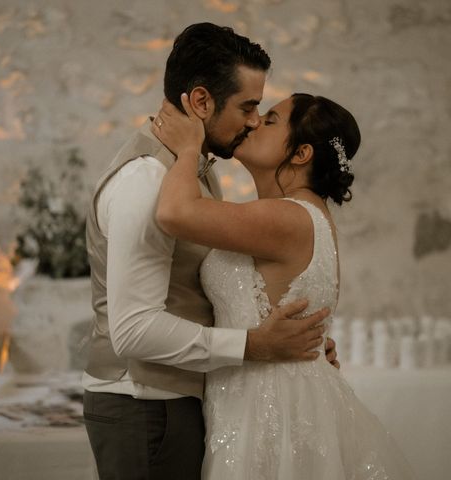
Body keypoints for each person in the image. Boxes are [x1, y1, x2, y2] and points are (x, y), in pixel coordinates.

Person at [82, 23, 338, 480]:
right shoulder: (147, 180)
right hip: (146, 406)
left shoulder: (191, 168)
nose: (255, 120)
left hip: (180, 404)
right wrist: (254, 345)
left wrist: (301, 347)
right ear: (201, 102)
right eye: (249, 106)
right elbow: (133, 330)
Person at [152, 92, 416, 479]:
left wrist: (188, 148)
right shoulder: (302, 215)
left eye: (271, 119)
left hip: (268, 412)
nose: (256, 122)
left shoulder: (288, 217)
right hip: (270, 396)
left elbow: (175, 212)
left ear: (302, 153)